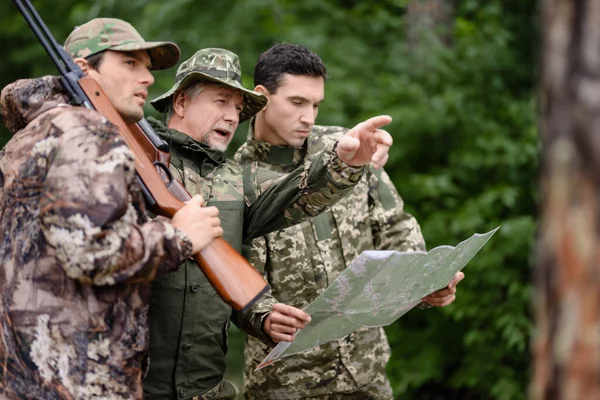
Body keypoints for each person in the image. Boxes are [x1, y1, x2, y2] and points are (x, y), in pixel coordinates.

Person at [142, 48, 395, 400]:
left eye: (236, 108)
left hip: (207, 389)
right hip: (132, 386)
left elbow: (293, 195)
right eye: (220, 101)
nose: (231, 116)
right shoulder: (130, 163)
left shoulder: (234, 180)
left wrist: (344, 161)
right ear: (181, 102)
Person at [0, 18, 223, 399]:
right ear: (84, 69)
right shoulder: (89, 131)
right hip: (81, 380)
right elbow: (92, 251)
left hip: (29, 376)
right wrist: (180, 235)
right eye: (130, 64)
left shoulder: (32, 136)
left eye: (147, 68)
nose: (148, 79)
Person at [234, 43, 465, 400]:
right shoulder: (233, 180)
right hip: (285, 384)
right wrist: (258, 316)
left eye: (316, 105)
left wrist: (426, 281)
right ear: (261, 97)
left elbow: (396, 229)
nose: (309, 117)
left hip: (365, 373)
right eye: (297, 103)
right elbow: (229, 282)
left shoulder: (348, 149)